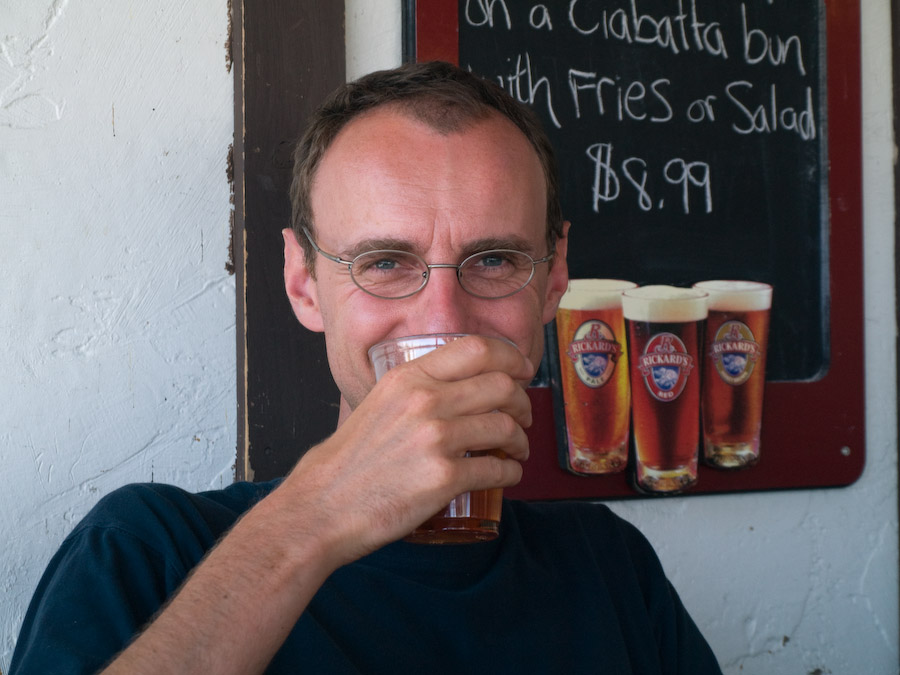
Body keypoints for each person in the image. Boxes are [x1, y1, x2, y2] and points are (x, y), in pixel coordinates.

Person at [10, 61, 722, 674]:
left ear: (554, 277)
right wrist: (311, 519)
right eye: (384, 263)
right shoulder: (148, 549)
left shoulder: (610, 568)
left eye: (494, 260)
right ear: (303, 283)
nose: (443, 322)